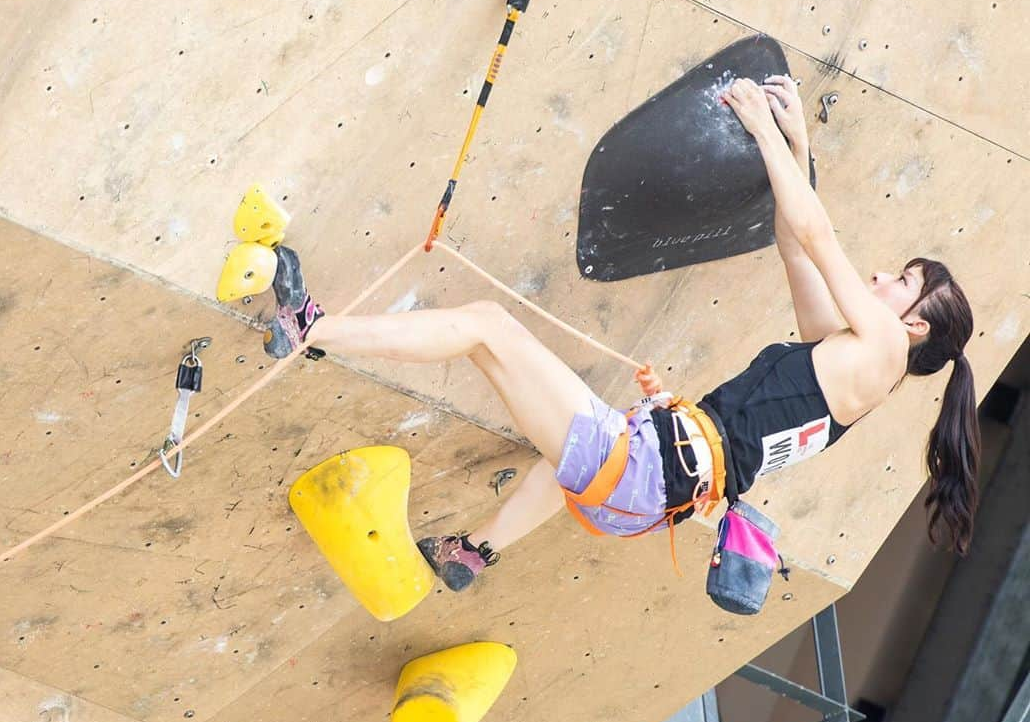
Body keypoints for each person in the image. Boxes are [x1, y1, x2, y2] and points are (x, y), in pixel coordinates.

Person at [287, 76, 980, 591]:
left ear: (914, 323)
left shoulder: (886, 351)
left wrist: (763, 130)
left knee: (487, 328)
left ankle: (311, 328)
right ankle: (473, 552)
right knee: (564, 455)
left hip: (650, 472)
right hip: (647, 493)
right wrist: (797, 141)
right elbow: (794, 247)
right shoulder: (851, 360)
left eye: (901, 279)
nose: (882, 276)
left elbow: (818, 235)